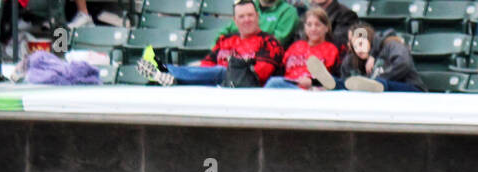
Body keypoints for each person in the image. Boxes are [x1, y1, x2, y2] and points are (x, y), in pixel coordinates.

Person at [137, 0, 283, 86]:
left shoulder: (270, 42)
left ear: (258, 17)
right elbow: (206, 65)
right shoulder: (226, 41)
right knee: (207, 72)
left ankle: (163, 70)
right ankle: (168, 77)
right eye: (242, 16)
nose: (246, 20)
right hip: (214, 87)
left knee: (222, 70)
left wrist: (233, 69)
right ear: (235, 20)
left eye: (250, 15)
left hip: (242, 88)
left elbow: (260, 74)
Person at [336, 22, 423, 92]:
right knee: (344, 83)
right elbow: (347, 78)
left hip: (411, 90)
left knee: (381, 84)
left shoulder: (391, 45)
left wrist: (377, 80)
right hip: (380, 98)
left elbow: (403, 63)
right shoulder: (351, 59)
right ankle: (334, 83)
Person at [266, 5, 339, 89]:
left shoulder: (331, 49)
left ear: (326, 28)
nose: (313, 29)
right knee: (273, 82)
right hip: (290, 85)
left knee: (273, 83)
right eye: (309, 25)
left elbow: (333, 78)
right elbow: (281, 69)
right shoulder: (295, 46)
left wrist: (312, 82)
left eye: (317, 25)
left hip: (314, 88)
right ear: (304, 27)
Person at [216, 0, 299, 47]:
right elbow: (224, 32)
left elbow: (275, 43)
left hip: (265, 63)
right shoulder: (249, 5)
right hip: (235, 58)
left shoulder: (288, 12)